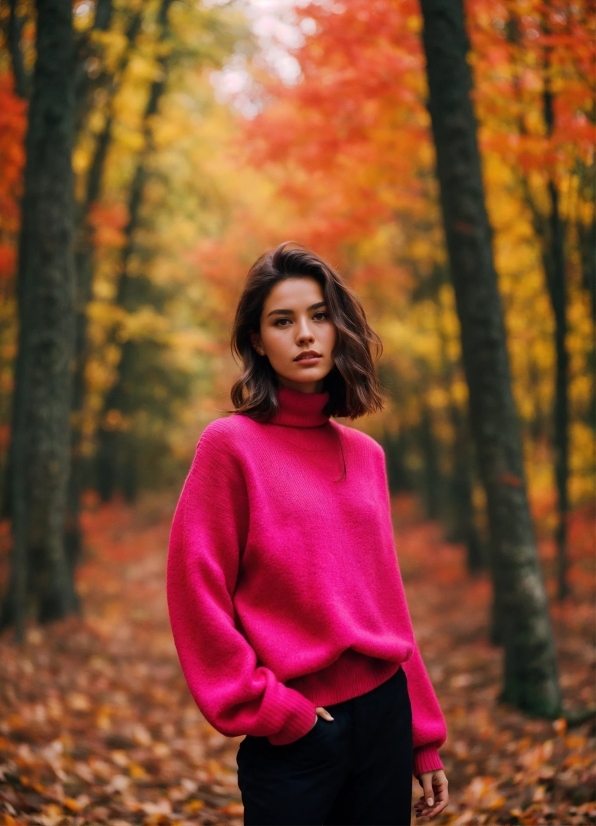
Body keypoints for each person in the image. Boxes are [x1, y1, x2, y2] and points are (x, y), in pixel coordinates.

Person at [166, 242, 449, 825]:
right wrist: (267, 708)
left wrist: (422, 735)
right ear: (255, 341)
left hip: (385, 719)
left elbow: (386, 603)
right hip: (297, 731)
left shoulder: (365, 455)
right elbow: (195, 589)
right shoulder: (230, 447)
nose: (305, 335)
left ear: (339, 327)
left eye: (319, 316)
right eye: (282, 321)